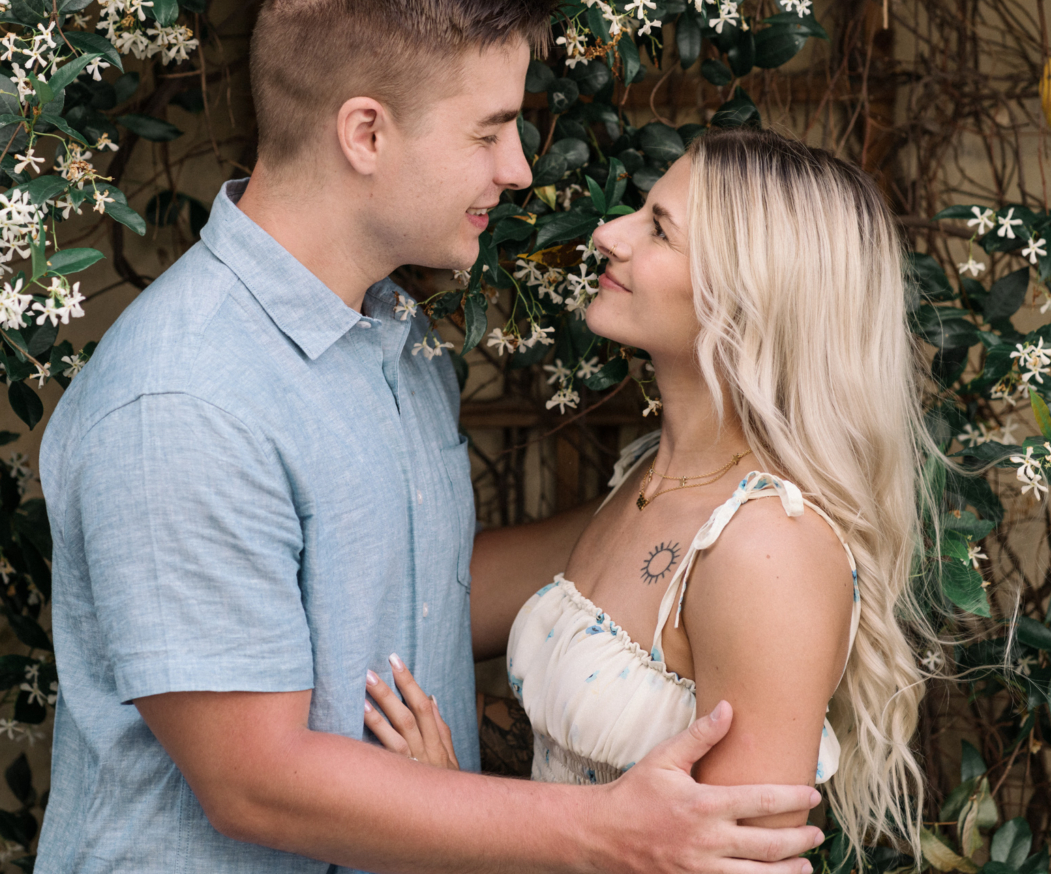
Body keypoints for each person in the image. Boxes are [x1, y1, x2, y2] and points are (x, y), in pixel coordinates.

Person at [35, 0, 830, 874]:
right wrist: (608, 831)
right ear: (365, 132)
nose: (521, 167)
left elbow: (425, 593)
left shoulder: (391, 336)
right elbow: (254, 778)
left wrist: (709, 510)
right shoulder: (183, 399)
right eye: (489, 130)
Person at [367, 128, 935, 854]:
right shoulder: (646, 478)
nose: (608, 232)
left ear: (747, 294)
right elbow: (438, 592)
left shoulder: (767, 548)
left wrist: (447, 815)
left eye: (659, 229)